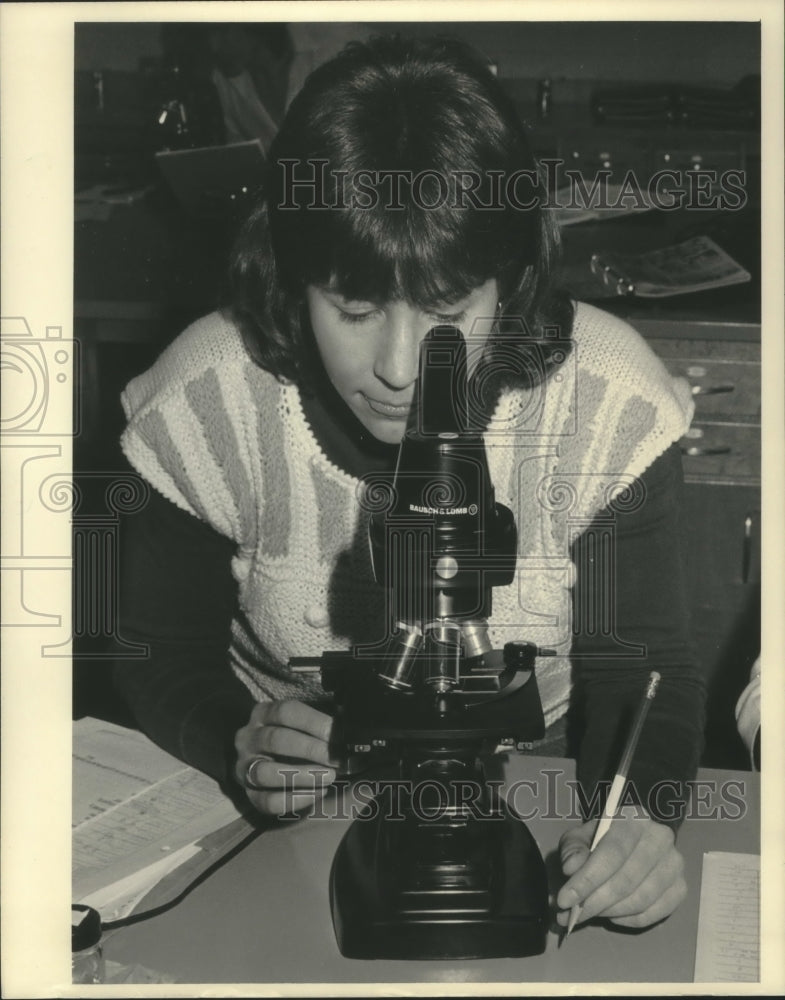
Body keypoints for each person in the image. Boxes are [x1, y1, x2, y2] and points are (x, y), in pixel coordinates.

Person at [114, 35, 706, 934]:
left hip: (536, 766)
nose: (396, 368)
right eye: (351, 309)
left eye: (446, 308)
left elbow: (648, 668)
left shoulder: (608, 401)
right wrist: (236, 739)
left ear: (508, 285)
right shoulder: (205, 399)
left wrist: (633, 820)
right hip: (292, 784)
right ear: (290, 277)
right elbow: (155, 645)